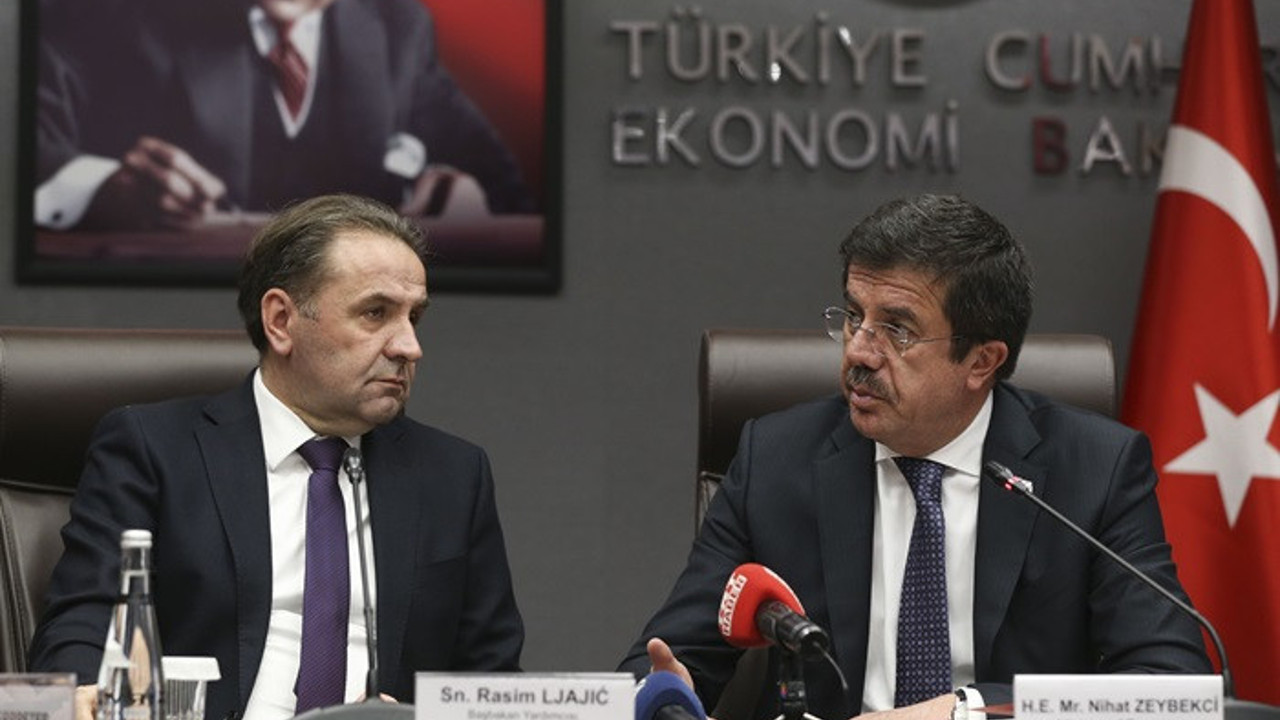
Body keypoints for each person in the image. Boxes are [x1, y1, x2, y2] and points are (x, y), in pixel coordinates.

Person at [619, 194, 1210, 720]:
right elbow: (667, 659)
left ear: (982, 361)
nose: (860, 351)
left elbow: (1173, 685)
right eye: (855, 317)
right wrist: (668, 698)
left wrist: (963, 711)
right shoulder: (774, 460)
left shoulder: (1095, 470)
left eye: (897, 330)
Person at [28, 194, 525, 720]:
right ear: (281, 321)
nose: (409, 346)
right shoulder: (155, 450)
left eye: (414, 317)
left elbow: (489, 680)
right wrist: (97, 702)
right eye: (375, 313)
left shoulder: (451, 475)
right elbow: (82, 633)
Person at [34, 0, 533, 232]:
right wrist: (103, 189)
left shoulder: (398, 25)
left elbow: (510, 197)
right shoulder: (113, 13)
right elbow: (24, 152)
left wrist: (464, 208)